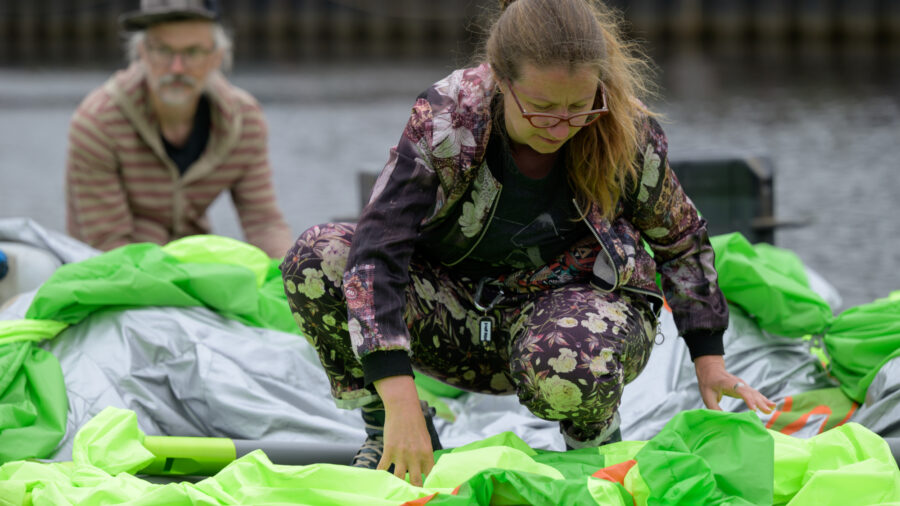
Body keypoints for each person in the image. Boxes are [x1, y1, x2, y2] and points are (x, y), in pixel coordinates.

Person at [281, 0, 775, 486]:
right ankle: (388, 432)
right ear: (500, 80)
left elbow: (682, 241)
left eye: (579, 107)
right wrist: (398, 398)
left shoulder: (628, 129)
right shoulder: (449, 116)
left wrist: (708, 359)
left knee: (573, 361)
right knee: (317, 257)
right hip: (458, 317)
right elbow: (377, 252)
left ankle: (594, 448)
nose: (562, 127)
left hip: (571, 328)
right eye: (541, 109)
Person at [65, 0, 293, 259]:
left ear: (216, 57)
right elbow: (109, 244)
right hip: (104, 268)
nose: (176, 68)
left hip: (190, 262)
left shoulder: (245, 122)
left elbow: (263, 223)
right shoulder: (97, 124)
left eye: (193, 52)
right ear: (142, 52)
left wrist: (290, 283)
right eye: (163, 50)